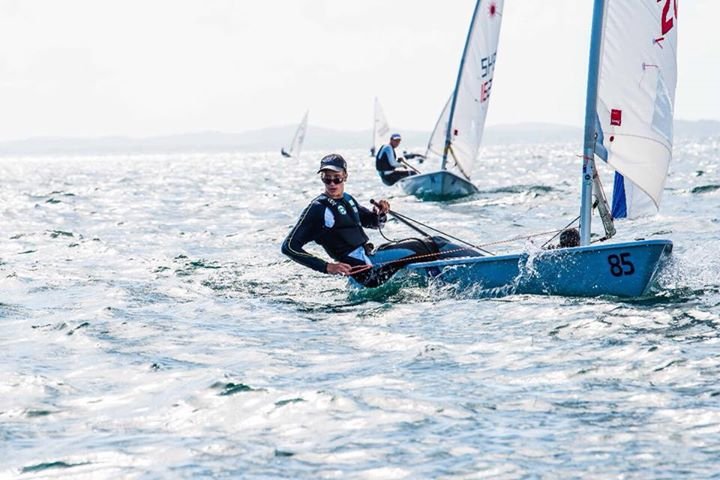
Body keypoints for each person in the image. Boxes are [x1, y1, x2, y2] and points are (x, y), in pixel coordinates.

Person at [281, 153, 391, 278]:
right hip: (359, 269)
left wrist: (381, 214)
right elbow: (288, 247)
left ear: (345, 176)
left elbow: (374, 223)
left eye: (336, 178)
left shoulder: (348, 199)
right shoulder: (318, 208)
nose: (332, 184)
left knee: (416, 247)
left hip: (367, 257)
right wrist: (327, 267)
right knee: (414, 250)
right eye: (327, 179)